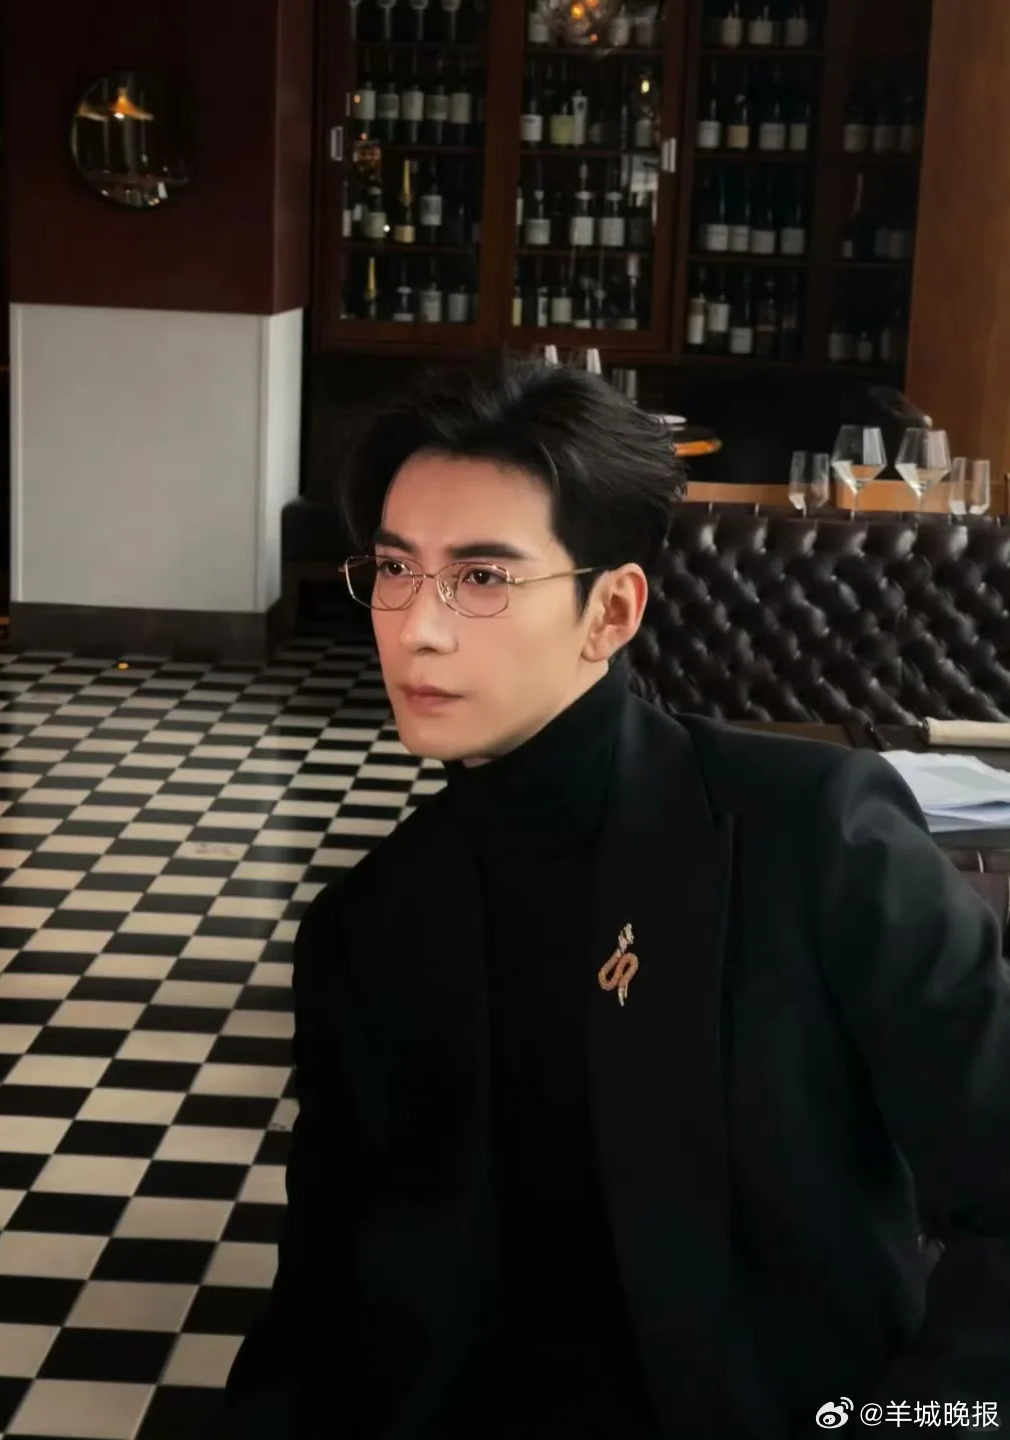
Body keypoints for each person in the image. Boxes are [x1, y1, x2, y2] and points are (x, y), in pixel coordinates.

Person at [216, 358, 1010, 1439]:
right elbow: (322, 1303)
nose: (416, 627)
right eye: (395, 569)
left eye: (482, 577)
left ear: (612, 610)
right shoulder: (371, 920)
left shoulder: (810, 839)